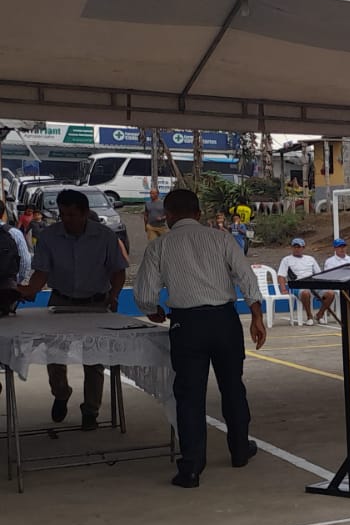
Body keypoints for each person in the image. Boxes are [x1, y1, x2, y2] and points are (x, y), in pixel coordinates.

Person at [133, 188, 266, 488]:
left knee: (190, 395)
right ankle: (239, 450)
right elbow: (246, 277)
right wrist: (256, 316)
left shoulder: (159, 246)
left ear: (167, 216)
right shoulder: (222, 238)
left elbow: (144, 293)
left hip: (187, 324)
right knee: (233, 386)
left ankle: (191, 468)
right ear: (198, 213)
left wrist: (153, 309)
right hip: (224, 320)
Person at [19, 189, 127, 430]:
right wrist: (28, 290)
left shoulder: (105, 237)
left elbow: (118, 271)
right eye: (62, 214)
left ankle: (91, 410)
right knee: (55, 355)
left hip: (96, 303)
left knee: (94, 359)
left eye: (72, 214)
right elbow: (41, 273)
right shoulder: (49, 237)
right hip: (61, 302)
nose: (66, 219)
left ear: (85, 213)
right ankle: (61, 393)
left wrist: (114, 296)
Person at [277, 238, 335, 325]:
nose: (297, 249)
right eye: (295, 247)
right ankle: (309, 316)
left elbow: (318, 274)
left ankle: (320, 314)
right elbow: (281, 276)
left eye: (299, 247)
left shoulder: (310, 259)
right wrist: (283, 289)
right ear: (292, 248)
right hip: (298, 285)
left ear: (303, 248)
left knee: (330, 293)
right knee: (305, 293)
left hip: (312, 284)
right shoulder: (286, 260)